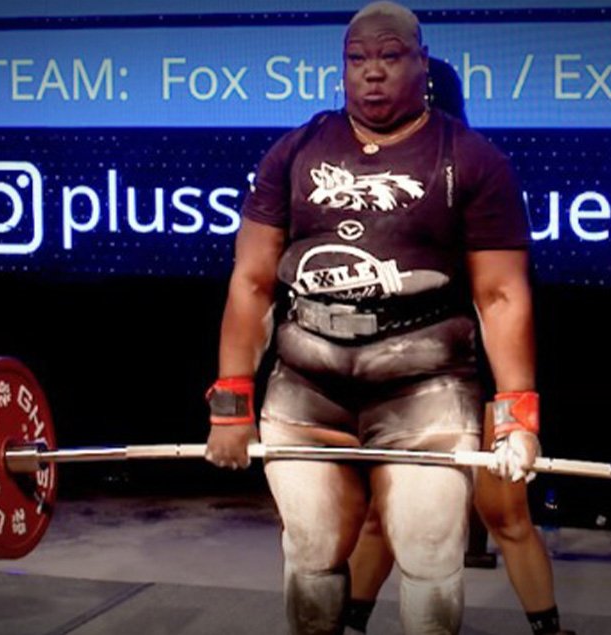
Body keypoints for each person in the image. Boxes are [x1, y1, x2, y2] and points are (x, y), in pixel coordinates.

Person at [205, 2, 540, 633]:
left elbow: (500, 296)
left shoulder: (472, 159)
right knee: (311, 550)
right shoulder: (295, 151)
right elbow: (251, 283)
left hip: (426, 385)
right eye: (357, 59)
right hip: (308, 384)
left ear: (422, 61)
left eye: (389, 56)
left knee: (429, 552)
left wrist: (517, 416)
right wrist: (230, 405)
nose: (372, 72)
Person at [342, 56, 568, 635]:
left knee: (505, 514)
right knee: (384, 514)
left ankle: (548, 630)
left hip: (481, 378)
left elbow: (502, 296)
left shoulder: (473, 173)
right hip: (418, 380)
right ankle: (348, 623)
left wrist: (513, 407)